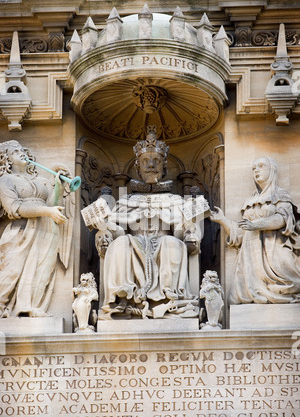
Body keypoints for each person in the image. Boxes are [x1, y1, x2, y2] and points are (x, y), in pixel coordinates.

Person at [92, 126, 206, 319]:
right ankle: (123, 300)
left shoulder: (176, 200)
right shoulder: (125, 201)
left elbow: (181, 230)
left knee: (171, 244)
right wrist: (104, 232)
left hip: (164, 243)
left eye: (156, 161)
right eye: (145, 160)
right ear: (138, 167)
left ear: (164, 167)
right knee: (120, 244)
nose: (151, 164)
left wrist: (190, 234)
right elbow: (117, 231)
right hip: (134, 243)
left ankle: (172, 301)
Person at [211, 156, 300, 304]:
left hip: (274, 252)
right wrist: (222, 220)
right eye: (253, 168)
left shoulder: (280, 195)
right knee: (234, 298)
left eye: (260, 166)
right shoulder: (249, 202)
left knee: (291, 284)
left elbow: (282, 219)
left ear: (272, 170)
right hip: (250, 257)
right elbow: (240, 233)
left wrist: (256, 225)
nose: (256, 170)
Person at [0, 140, 73, 317]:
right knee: (12, 270)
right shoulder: (5, 180)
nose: (21, 153)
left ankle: (30, 306)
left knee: (43, 268)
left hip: (46, 228)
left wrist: (57, 187)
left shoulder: (40, 180)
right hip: (21, 231)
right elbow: (14, 208)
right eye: (15, 152)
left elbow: (54, 205)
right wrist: (47, 211)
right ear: (7, 159)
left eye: (21, 150)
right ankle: (3, 306)